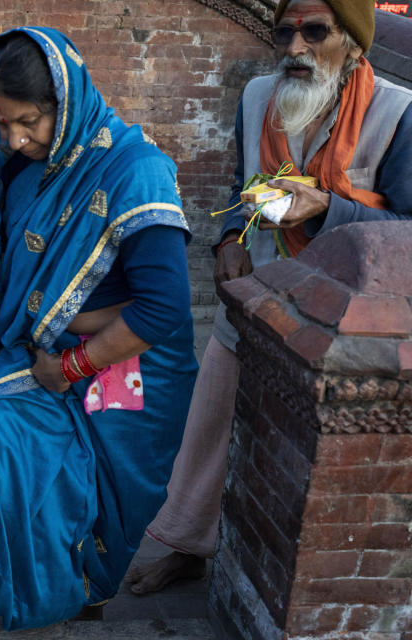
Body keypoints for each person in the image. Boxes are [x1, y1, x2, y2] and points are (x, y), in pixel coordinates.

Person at [127, 0, 412, 595]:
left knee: (296, 450)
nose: (294, 49)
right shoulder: (259, 95)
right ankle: (186, 545)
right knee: (207, 423)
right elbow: (242, 185)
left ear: (353, 44)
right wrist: (228, 239)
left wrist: (326, 208)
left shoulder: (398, 112)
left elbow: (406, 228)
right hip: (255, 294)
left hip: (340, 320)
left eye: (315, 32)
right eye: (284, 32)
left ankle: (281, 572)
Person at [0, 28, 198, 630]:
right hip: (40, 347)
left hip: (117, 364)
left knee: (39, 466)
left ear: (65, 104)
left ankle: (65, 593)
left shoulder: (137, 173)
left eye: (28, 123)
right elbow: (22, 247)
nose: (16, 141)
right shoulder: (31, 164)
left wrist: (68, 366)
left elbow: (162, 311)